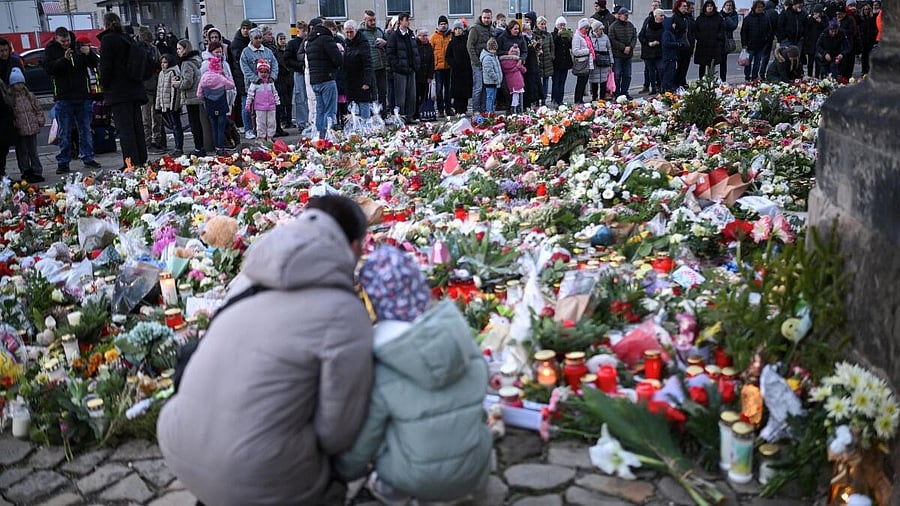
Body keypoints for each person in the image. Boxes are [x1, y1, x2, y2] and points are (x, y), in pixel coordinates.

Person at [158, 195, 374, 506]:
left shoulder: (249, 276)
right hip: (258, 469)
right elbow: (336, 434)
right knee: (330, 477)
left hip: (177, 444)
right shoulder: (345, 311)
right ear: (354, 247)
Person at [335, 246, 491, 506]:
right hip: (474, 470)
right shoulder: (460, 338)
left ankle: (394, 491)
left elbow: (368, 437)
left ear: (374, 299)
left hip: (416, 478)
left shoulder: (382, 363)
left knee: (385, 424)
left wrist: (344, 470)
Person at [44, 27, 101, 174]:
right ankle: (63, 161)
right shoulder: (51, 50)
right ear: (56, 39)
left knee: (85, 129)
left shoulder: (77, 46)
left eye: (67, 40)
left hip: (83, 95)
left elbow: (94, 63)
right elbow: (49, 69)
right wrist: (64, 60)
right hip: (64, 97)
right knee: (65, 131)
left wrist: (88, 54)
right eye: (63, 41)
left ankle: (88, 157)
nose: (66, 43)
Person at [306, 19, 343, 138]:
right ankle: (328, 136)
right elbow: (338, 59)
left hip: (315, 80)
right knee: (330, 110)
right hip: (327, 78)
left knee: (320, 110)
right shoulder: (327, 39)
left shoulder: (311, 41)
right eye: (334, 31)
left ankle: (319, 136)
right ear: (330, 29)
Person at [240, 28, 279, 139]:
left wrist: (272, 77)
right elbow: (245, 69)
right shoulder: (246, 52)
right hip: (254, 85)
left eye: (260, 38)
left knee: (270, 114)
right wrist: (256, 79)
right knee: (255, 113)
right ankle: (254, 132)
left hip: (268, 86)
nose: (258, 40)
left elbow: (275, 65)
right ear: (251, 39)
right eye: (256, 38)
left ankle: (270, 135)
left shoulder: (267, 51)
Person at [9, 68, 44, 183]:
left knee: (33, 151)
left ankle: (37, 171)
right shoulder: (12, 98)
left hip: (32, 128)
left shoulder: (30, 96)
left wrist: (40, 119)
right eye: (16, 84)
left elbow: (38, 109)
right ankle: (26, 171)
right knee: (22, 152)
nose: (19, 86)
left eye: (21, 83)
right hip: (20, 129)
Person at [171, 40, 205, 157]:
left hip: (190, 96)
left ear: (185, 49)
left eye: (179, 49)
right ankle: (200, 147)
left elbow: (187, 82)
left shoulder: (186, 63)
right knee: (196, 122)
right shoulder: (195, 61)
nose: (177, 51)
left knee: (194, 123)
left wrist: (177, 84)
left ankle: (198, 148)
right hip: (196, 95)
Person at [198, 56, 235, 155]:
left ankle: (216, 147)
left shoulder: (204, 77)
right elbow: (231, 85)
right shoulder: (220, 77)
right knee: (221, 127)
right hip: (221, 104)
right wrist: (227, 76)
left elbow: (199, 94)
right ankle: (221, 147)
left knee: (214, 126)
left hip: (210, 104)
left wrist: (205, 97)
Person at [386, 13, 419, 124]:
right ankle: (400, 117)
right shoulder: (394, 36)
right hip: (400, 71)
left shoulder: (410, 34)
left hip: (411, 69)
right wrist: (397, 65)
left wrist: (416, 65)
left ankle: (410, 116)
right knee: (400, 96)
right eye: (406, 20)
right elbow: (390, 53)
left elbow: (415, 50)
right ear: (400, 21)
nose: (408, 22)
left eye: (409, 20)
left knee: (412, 95)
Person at [339, 20, 375, 120]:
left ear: (356, 30)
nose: (349, 34)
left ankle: (366, 129)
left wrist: (367, 81)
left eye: (351, 32)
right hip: (350, 81)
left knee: (363, 106)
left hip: (361, 79)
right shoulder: (346, 43)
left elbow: (368, 63)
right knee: (352, 109)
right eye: (347, 32)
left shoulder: (363, 43)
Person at [138, 26, 165, 154]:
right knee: (148, 117)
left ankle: (154, 140)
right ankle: (151, 141)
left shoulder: (152, 50)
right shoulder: (148, 50)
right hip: (148, 86)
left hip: (151, 85)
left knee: (153, 116)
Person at [245, 60, 279, 143]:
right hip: (260, 107)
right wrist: (248, 104)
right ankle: (261, 137)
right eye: (261, 72)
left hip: (271, 106)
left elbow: (275, 93)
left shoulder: (271, 83)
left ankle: (270, 136)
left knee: (271, 122)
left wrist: (277, 101)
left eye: (266, 72)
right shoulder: (255, 84)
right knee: (261, 123)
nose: (264, 74)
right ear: (258, 72)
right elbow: (250, 94)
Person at [155, 54, 183, 156]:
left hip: (171, 105)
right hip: (164, 105)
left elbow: (175, 91)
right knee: (173, 126)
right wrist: (158, 106)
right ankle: (177, 147)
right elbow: (159, 90)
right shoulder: (161, 74)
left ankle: (179, 147)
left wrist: (173, 106)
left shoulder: (173, 72)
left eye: (165, 62)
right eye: (162, 62)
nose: (163, 65)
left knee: (176, 126)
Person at [467, 9, 493, 113]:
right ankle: (476, 109)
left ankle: (484, 109)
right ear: (481, 17)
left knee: (486, 87)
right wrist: (476, 62)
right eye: (485, 17)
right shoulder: (475, 29)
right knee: (478, 87)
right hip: (478, 63)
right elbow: (470, 46)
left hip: (488, 63)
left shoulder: (492, 29)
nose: (486, 20)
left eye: (488, 18)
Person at [741, 0, 774, 82]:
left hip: (761, 45)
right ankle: (747, 77)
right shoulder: (748, 18)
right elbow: (743, 32)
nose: (760, 9)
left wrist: (766, 39)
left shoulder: (765, 17)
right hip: (750, 45)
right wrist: (744, 44)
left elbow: (769, 30)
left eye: (761, 7)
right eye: (758, 7)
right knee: (748, 63)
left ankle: (754, 77)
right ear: (754, 8)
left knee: (757, 63)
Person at [445, 20, 472, 115]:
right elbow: (448, 56)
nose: (458, 31)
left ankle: (464, 109)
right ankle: (458, 109)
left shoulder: (467, 40)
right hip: (456, 71)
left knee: (465, 91)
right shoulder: (452, 42)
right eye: (456, 29)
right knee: (457, 92)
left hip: (466, 70)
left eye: (459, 29)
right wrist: (453, 63)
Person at [609, 8, 637, 98]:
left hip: (628, 55)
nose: (626, 17)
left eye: (627, 15)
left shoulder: (630, 25)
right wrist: (623, 47)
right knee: (617, 74)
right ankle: (616, 93)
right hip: (618, 55)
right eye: (625, 15)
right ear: (619, 15)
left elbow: (634, 37)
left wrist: (630, 47)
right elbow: (612, 39)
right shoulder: (613, 26)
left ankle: (625, 92)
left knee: (627, 75)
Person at [230, 20, 252, 134]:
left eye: (247, 29)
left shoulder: (252, 42)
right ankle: (247, 128)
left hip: (253, 77)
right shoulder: (236, 43)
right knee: (245, 104)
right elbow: (239, 60)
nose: (245, 31)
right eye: (243, 28)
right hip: (241, 77)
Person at [693, 0, 725, 78]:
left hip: (714, 45)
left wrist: (718, 38)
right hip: (702, 45)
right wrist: (700, 38)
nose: (709, 8)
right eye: (708, 6)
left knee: (712, 65)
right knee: (702, 65)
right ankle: (701, 81)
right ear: (705, 8)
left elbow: (722, 30)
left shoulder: (718, 18)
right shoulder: (700, 18)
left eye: (711, 6)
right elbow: (695, 30)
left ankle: (711, 82)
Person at [430, 15, 453, 116]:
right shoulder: (434, 37)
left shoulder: (451, 35)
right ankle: (440, 110)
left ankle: (448, 109)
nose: (443, 26)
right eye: (441, 24)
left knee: (448, 89)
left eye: (445, 24)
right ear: (438, 25)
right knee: (439, 89)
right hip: (438, 68)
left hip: (448, 67)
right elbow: (431, 52)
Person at [638, 11, 663, 95]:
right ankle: (653, 88)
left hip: (659, 52)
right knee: (651, 71)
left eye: (663, 15)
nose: (663, 17)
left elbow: (666, 36)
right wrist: (648, 43)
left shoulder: (664, 26)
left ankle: (661, 86)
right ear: (656, 16)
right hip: (648, 52)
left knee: (660, 69)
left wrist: (659, 42)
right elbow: (641, 36)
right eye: (661, 15)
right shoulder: (648, 24)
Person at [571, 18, 595, 104]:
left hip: (586, 62)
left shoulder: (585, 37)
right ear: (581, 28)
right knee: (580, 82)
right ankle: (578, 99)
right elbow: (575, 51)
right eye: (585, 28)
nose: (587, 30)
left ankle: (580, 98)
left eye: (587, 28)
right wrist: (587, 51)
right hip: (582, 62)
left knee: (584, 82)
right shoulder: (577, 37)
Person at [273, 32, 293, 134]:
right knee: (282, 101)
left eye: (284, 38)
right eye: (280, 39)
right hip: (281, 79)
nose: (283, 41)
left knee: (289, 101)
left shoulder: (289, 51)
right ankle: (284, 119)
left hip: (289, 78)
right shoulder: (276, 53)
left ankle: (289, 120)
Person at [533, 16, 554, 106]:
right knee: (537, 82)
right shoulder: (534, 35)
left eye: (544, 24)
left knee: (546, 82)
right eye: (541, 24)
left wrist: (551, 56)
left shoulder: (548, 35)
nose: (543, 26)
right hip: (538, 61)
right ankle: (537, 100)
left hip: (547, 61)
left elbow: (552, 47)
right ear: (537, 24)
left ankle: (544, 99)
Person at [551, 17, 572, 105]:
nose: (562, 27)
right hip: (556, 62)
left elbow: (569, 47)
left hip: (565, 62)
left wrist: (570, 38)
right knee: (556, 82)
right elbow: (553, 45)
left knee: (562, 82)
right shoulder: (553, 34)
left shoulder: (566, 35)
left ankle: (560, 99)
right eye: (561, 25)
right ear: (557, 25)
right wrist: (558, 35)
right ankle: (554, 99)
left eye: (564, 25)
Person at [414, 28, 434, 120]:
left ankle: (423, 112)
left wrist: (430, 76)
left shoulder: (429, 46)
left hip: (426, 75)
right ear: (418, 36)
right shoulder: (415, 46)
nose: (426, 37)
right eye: (423, 36)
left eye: (426, 35)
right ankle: (415, 113)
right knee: (416, 96)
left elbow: (431, 62)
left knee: (424, 96)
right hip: (417, 75)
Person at [500, 44, 526, 113]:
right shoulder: (517, 61)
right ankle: (517, 110)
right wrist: (519, 66)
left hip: (509, 82)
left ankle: (511, 110)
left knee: (511, 97)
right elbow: (524, 70)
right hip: (518, 83)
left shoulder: (503, 61)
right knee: (518, 98)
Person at [480, 37, 501, 113]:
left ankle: (491, 111)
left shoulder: (493, 56)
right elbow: (489, 70)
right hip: (490, 81)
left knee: (493, 98)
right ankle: (489, 111)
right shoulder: (487, 58)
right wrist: (496, 77)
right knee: (490, 97)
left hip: (494, 81)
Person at [719, 0, 739, 81]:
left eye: (730, 5)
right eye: (727, 5)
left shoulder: (734, 15)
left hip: (726, 41)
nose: (728, 7)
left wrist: (727, 17)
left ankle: (723, 79)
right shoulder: (719, 14)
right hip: (718, 40)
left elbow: (733, 26)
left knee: (723, 62)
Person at [857, 3, 876, 75]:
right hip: (863, 39)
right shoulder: (861, 18)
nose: (866, 10)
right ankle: (863, 70)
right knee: (864, 56)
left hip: (870, 39)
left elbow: (874, 28)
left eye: (868, 9)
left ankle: (868, 69)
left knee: (869, 55)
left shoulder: (872, 18)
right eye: (865, 9)